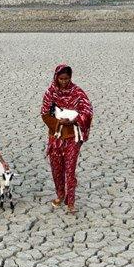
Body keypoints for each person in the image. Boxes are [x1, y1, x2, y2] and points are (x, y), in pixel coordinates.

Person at [41, 64, 93, 214]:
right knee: (56, 169)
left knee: (70, 170)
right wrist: (58, 123)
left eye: (67, 78)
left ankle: (71, 201)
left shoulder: (77, 92)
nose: (64, 81)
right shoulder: (50, 93)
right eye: (61, 78)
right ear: (56, 77)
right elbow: (44, 113)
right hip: (56, 136)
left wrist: (73, 120)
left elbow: (87, 111)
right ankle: (60, 194)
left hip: (72, 136)